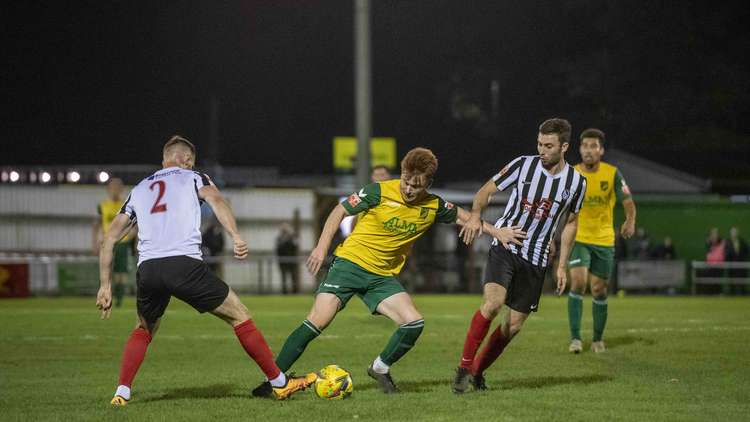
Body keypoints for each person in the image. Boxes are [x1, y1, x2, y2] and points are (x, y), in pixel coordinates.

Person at [252, 147, 525, 396]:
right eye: (406, 181)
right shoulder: (379, 191)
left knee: (413, 322)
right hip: (349, 265)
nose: (408, 189)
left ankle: (380, 367)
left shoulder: (432, 205)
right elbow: (338, 211)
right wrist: (321, 249)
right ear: (402, 175)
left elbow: (467, 217)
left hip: (381, 277)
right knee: (318, 321)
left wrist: (497, 231)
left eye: (416, 186)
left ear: (428, 183)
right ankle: (273, 381)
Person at [95, 135, 315, 405]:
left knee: (143, 328)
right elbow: (218, 202)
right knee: (240, 316)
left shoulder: (140, 188)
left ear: (164, 160)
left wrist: (105, 285)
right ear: (187, 160)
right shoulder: (194, 177)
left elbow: (109, 239)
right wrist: (235, 235)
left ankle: (121, 393)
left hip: (149, 269)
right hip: (184, 265)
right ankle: (280, 383)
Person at [453, 117, 586, 393]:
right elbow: (486, 191)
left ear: (564, 146)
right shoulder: (523, 165)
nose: (542, 150)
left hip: (537, 259)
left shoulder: (576, 182)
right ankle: (464, 368)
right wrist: (476, 216)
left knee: (512, 326)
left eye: (548, 145)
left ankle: (477, 373)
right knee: (493, 303)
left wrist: (561, 265)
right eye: (539, 144)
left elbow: (571, 222)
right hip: (505, 245)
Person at [565, 128, 637, 354]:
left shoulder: (612, 173)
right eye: (585, 145)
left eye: (593, 146)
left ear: (601, 150)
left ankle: (597, 339)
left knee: (599, 289)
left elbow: (627, 200)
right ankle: (576, 338)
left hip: (604, 239)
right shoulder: (572, 173)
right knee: (578, 282)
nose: (588, 150)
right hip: (579, 237)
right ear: (580, 149)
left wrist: (630, 220)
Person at [92, 178, 134, 307]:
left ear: (121, 190)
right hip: (107, 243)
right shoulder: (102, 206)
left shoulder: (126, 205)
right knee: (106, 272)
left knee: (120, 274)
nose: (115, 191)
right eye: (112, 188)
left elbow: (133, 226)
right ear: (108, 190)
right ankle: (105, 296)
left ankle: (118, 301)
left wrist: (129, 238)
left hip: (123, 243)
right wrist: (95, 242)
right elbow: (96, 225)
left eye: (118, 188)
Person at [339, 165, 392, 238]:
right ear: (372, 177)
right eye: (376, 175)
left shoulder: (396, 195)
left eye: (382, 175)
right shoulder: (363, 193)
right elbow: (343, 209)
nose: (380, 178)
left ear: (389, 177)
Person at [275, 223, 300, 294]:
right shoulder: (279, 238)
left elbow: (295, 246)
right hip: (283, 262)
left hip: (292, 261)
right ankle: (284, 292)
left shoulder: (292, 237)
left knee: (294, 277)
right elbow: (279, 248)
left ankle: (295, 292)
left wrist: (291, 237)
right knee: (284, 278)